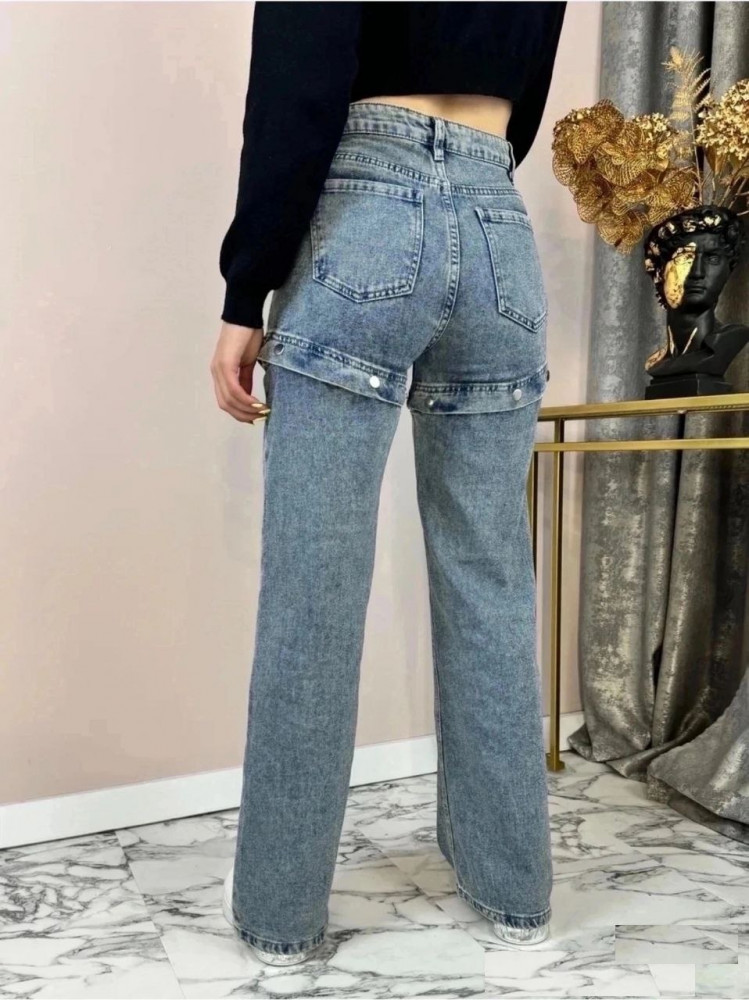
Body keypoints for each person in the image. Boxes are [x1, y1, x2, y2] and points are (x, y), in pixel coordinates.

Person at [211, 0, 566, 968]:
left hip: (364, 213)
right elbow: (528, 87)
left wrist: (245, 292)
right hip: (496, 221)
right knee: (490, 582)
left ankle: (282, 916)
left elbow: (295, 93)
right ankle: (515, 893)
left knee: (313, 593)